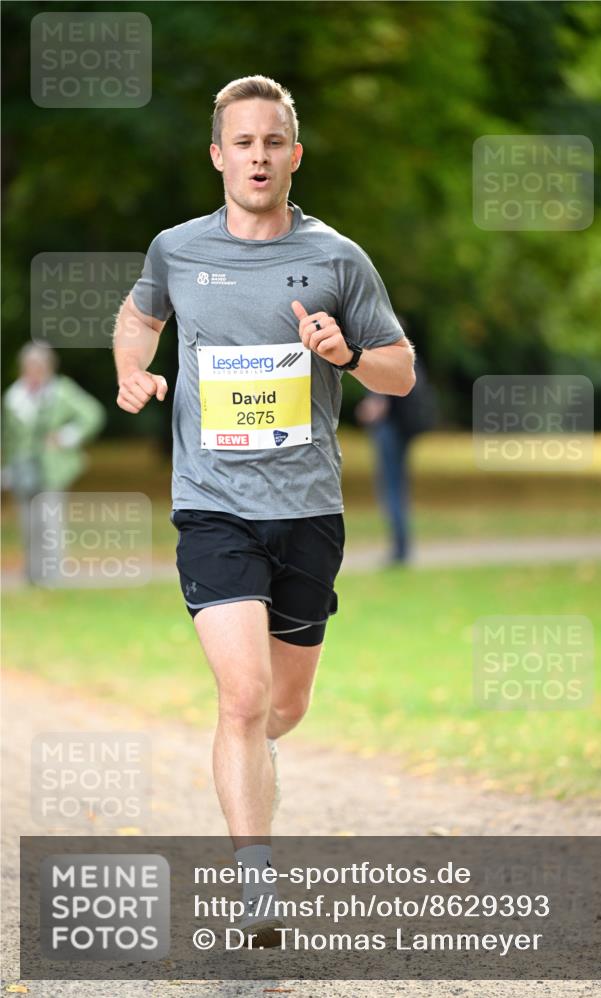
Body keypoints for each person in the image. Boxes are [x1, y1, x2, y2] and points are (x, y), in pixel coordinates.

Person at [112, 75, 415, 946]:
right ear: (217, 154)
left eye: (271, 141)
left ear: (293, 154)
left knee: (284, 708)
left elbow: (400, 371)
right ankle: (257, 887)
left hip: (308, 509)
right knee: (241, 699)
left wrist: (348, 353)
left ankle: (258, 755)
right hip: (212, 504)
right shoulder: (176, 248)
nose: (256, 155)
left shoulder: (338, 258)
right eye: (241, 142)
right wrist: (134, 370)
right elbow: (139, 318)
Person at [2, 342, 105, 583]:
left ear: (48, 367)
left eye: (38, 365)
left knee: (50, 524)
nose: (33, 370)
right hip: (21, 469)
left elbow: (92, 414)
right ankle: (32, 575)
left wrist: (67, 436)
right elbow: (8, 437)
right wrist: (6, 467)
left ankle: (53, 576)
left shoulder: (61, 391)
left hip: (51, 470)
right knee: (27, 524)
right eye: (29, 365)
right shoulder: (13, 396)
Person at [355, 351, 438, 565]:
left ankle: (399, 549)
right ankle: (402, 546)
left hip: (389, 431)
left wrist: (363, 412)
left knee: (391, 488)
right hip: (404, 430)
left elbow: (378, 406)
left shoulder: (381, 361)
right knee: (399, 487)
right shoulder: (406, 360)